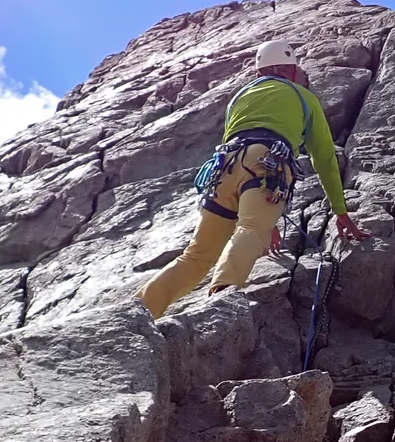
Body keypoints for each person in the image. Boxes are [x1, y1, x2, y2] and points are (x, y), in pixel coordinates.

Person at [138, 40, 369, 317]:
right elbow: (325, 158)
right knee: (250, 229)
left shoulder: (240, 97)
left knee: (197, 255)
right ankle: (222, 294)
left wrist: (267, 220)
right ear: (292, 72)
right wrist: (340, 211)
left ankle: (140, 310)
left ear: (260, 73)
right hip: (268, 161)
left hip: (225, 167)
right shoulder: (303, 96)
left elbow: (235, 144)